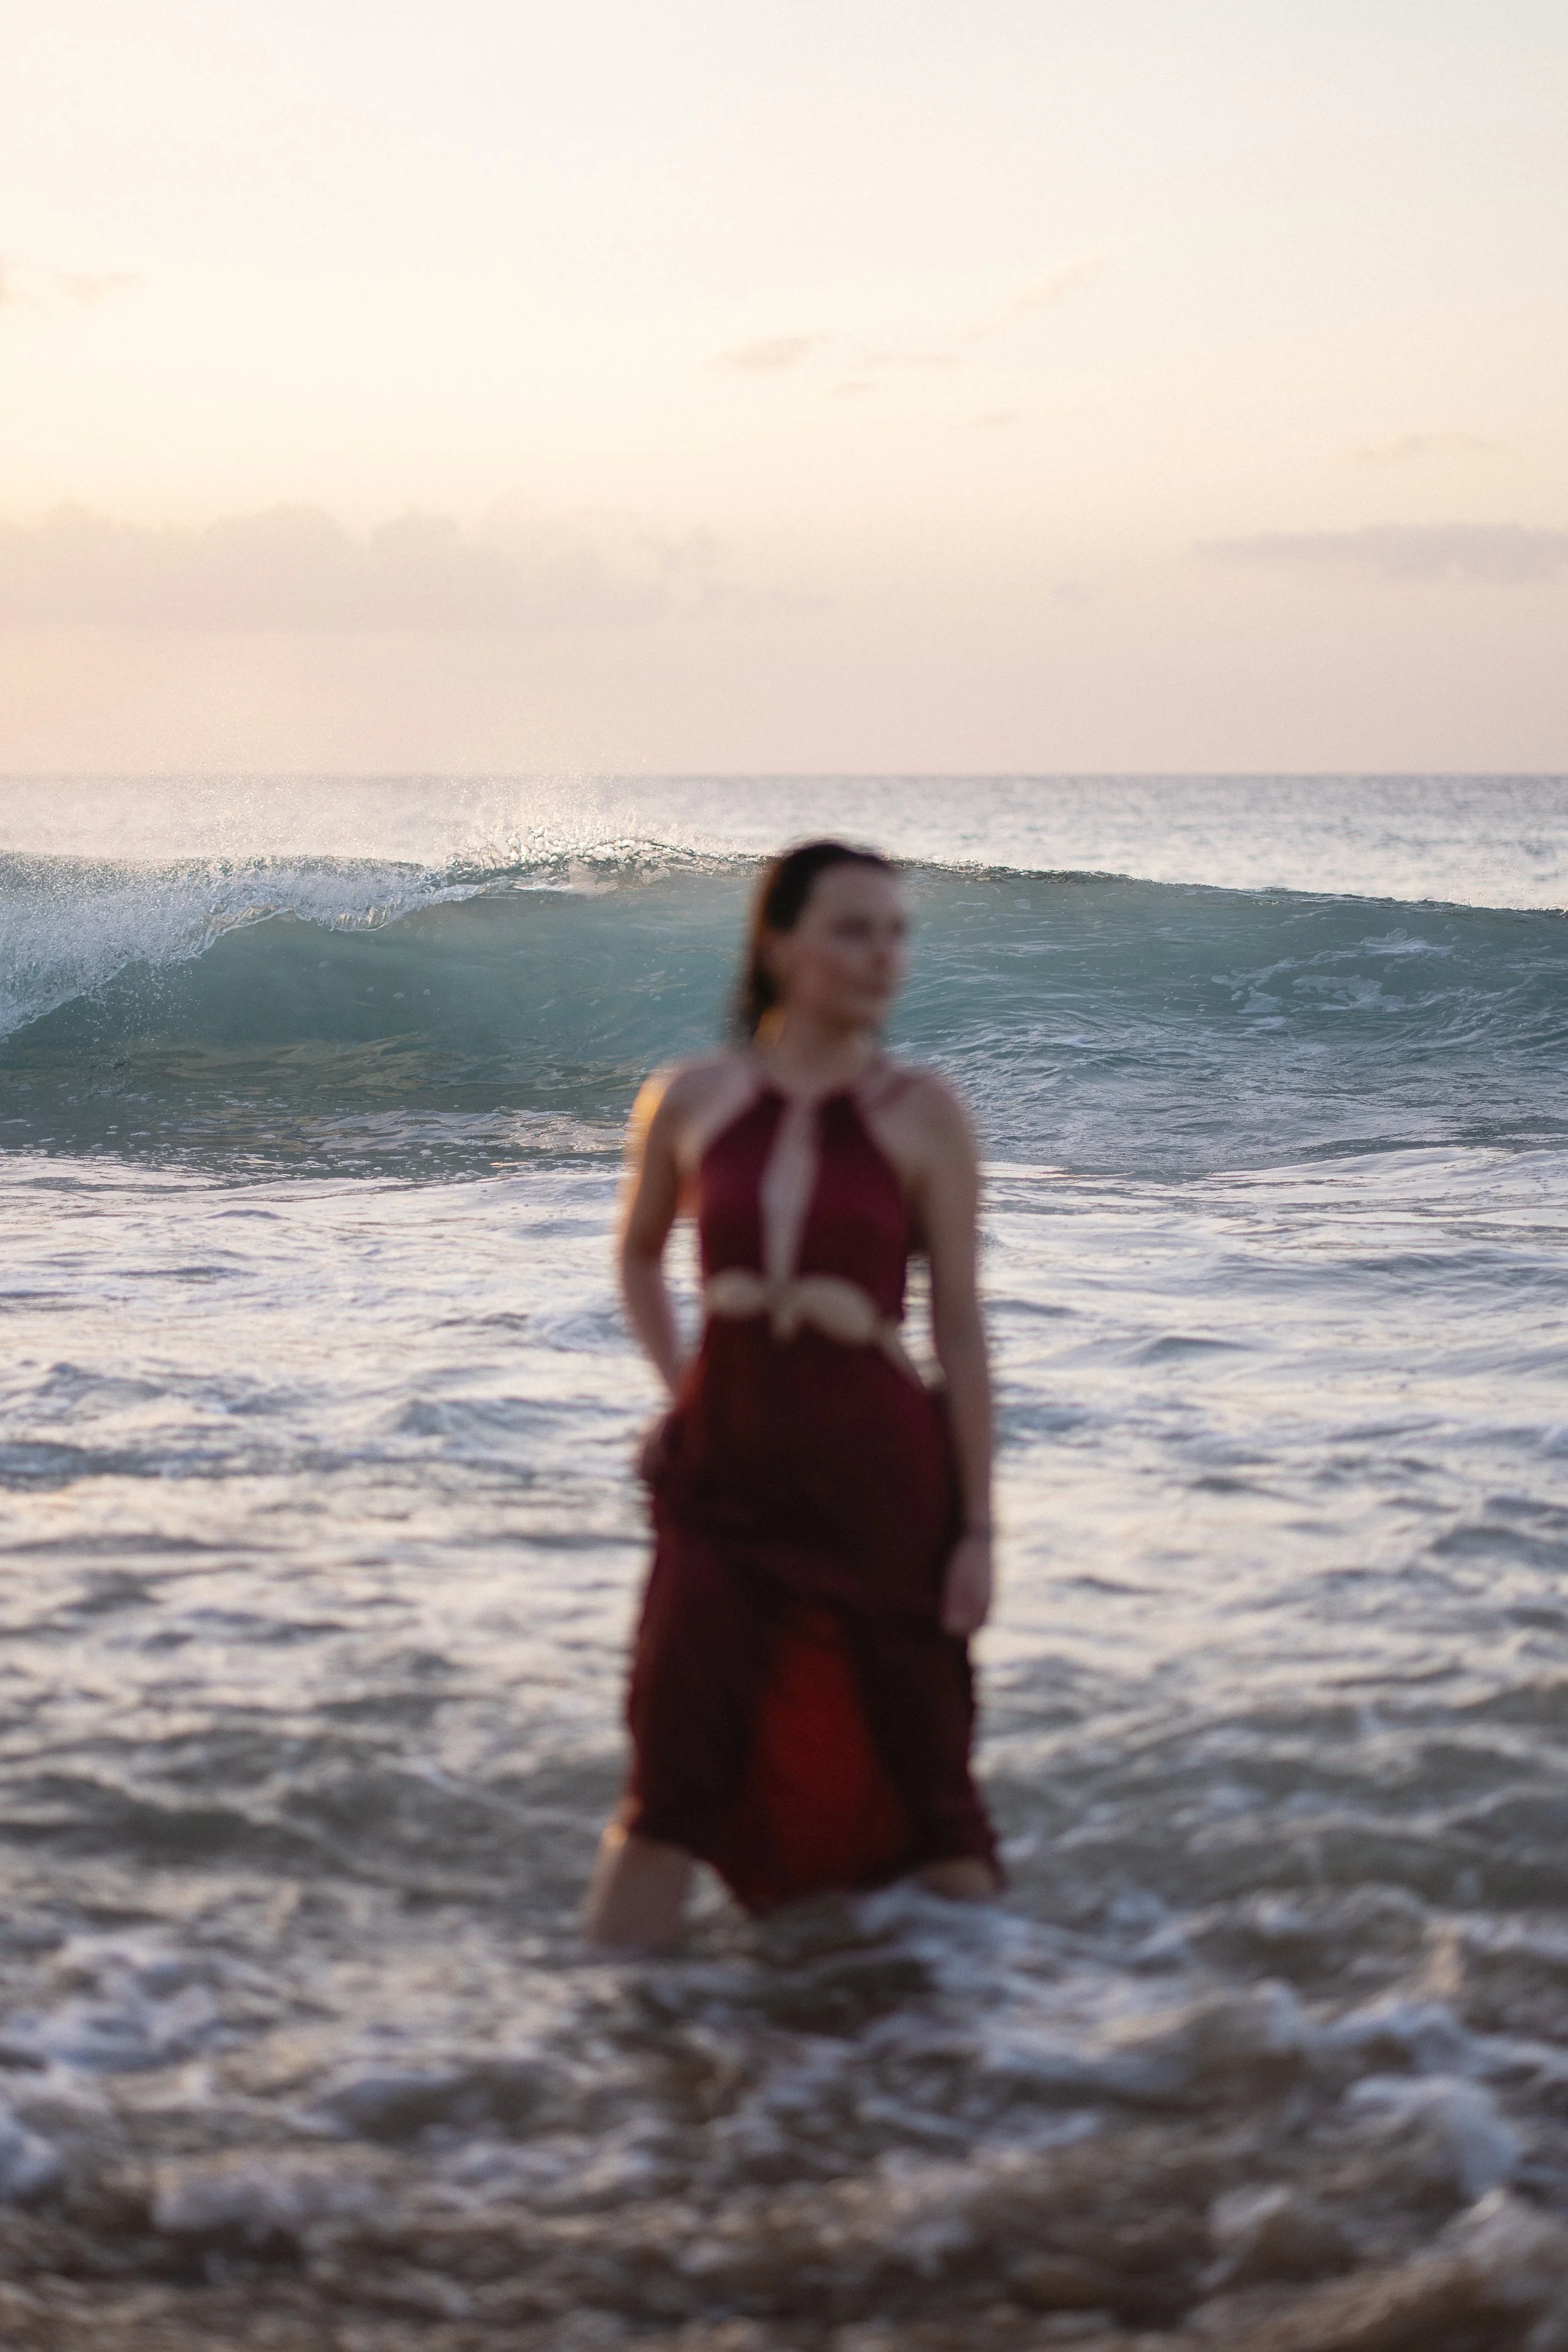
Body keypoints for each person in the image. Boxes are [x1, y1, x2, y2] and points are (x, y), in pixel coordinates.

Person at [583, 840, 1000, 1947]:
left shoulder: (926, 1113)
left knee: (931, 1793)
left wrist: (976, 1530)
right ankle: (597, 2031)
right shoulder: (689, 1096)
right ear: (778, 946)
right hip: (724, 1473)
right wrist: (683, 1383)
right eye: (853, 930)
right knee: (669, 1780)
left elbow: (960, 1329)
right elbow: (637, 1254)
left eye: (897, 932)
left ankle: (1000, 2025)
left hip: (879, 1476)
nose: (884, 956)